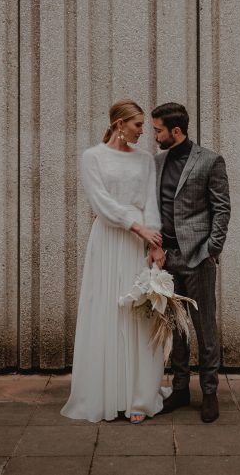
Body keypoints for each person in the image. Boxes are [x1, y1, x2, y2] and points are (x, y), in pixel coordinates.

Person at [60, 100, 170, 423]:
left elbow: (151, 201)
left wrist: (154, 243)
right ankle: (106, 394)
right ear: (120, 124)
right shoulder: (92, 157)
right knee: (107, 311)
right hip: (109, 240)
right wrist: (137, 228)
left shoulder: (145, 159)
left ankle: (139, 398)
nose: (143, 131)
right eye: (137, 125)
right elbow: (101, 202)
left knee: (141, 315)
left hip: (140, 242)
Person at [148, 102, 231, 423]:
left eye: (158, 130)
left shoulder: (210, 161)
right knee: (174, 329)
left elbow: (222, 209)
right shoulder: (156, 162)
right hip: (166, 259)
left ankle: (209, 392)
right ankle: (180, 389)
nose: (154, 135)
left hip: (198, 257)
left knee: (204, 328)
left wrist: (212, 249)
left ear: (176, 131)